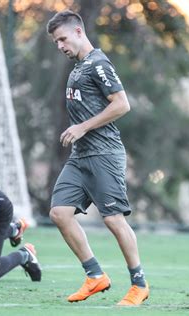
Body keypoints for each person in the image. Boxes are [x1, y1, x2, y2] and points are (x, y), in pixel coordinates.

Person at [46, 10, 149, 306]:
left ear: (79, 32)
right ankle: (95, 276)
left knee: (113, 220)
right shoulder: (78, 67)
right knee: (59, 213)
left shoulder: (98, 63)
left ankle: (139, 284)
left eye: (63, 39)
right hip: (81, 156)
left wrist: (81, 127)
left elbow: (122, 105)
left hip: (104, 153)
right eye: (56, 42)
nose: (60, 46)